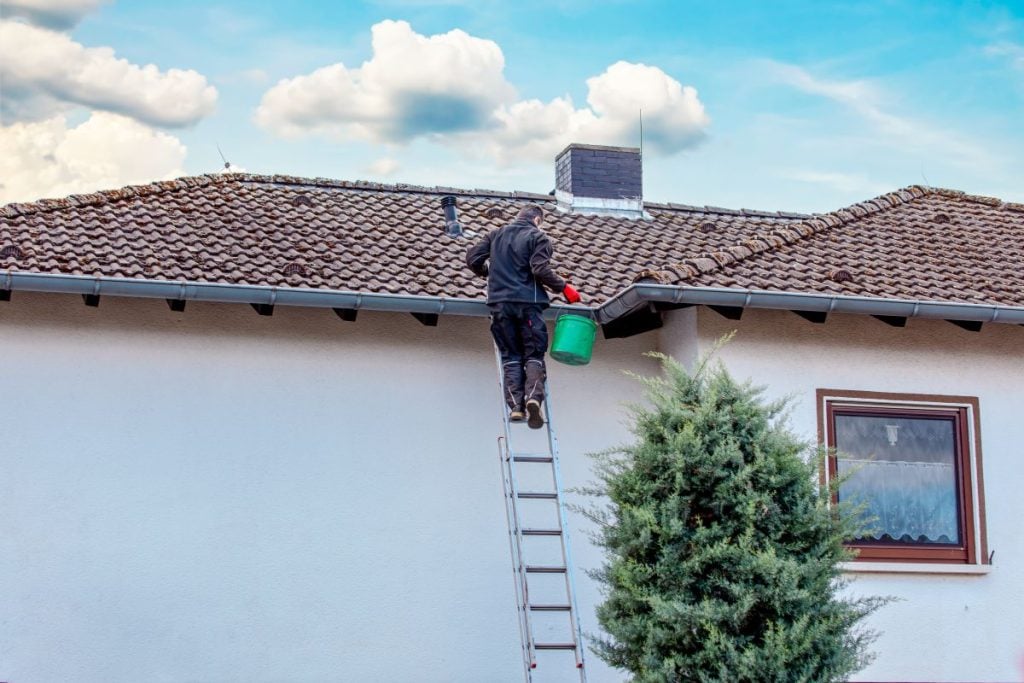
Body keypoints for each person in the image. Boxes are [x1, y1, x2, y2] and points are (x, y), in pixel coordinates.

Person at [466, 204, 581, 429]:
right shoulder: (538, 238)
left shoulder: (495, 235)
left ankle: (516, 408)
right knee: (534, 354)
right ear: (537, 219)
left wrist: (486, 272)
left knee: (510, 355)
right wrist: (564, 288)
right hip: (529, 304)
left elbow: (472, 259)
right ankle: (533, 399)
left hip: (500, 304)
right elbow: (539, 269)